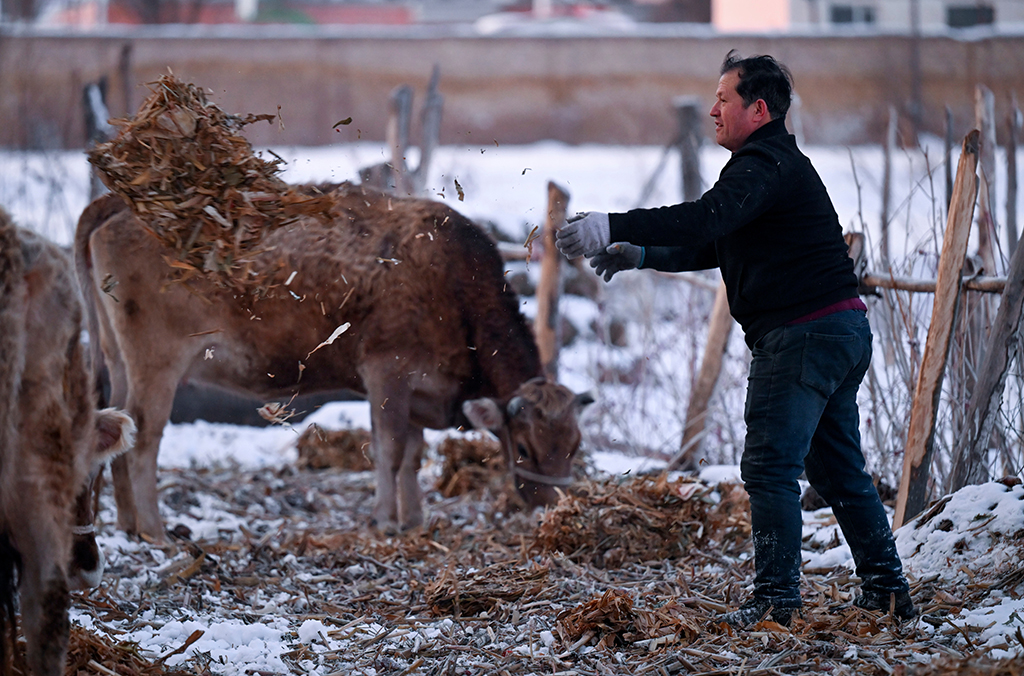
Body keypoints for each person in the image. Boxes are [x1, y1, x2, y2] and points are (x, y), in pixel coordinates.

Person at [555, 51, 915, 628]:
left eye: (724, 99)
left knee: (771, 467)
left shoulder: (762, 166)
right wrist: (641, 253)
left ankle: (776, 601)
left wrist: (614, 223)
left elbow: (702, 219)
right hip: (838, 330)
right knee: (838, 471)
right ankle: (888, 592)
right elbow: (714, 242)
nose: (714, 110)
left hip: (802, 336)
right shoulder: (770, 168)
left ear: (759, 108)